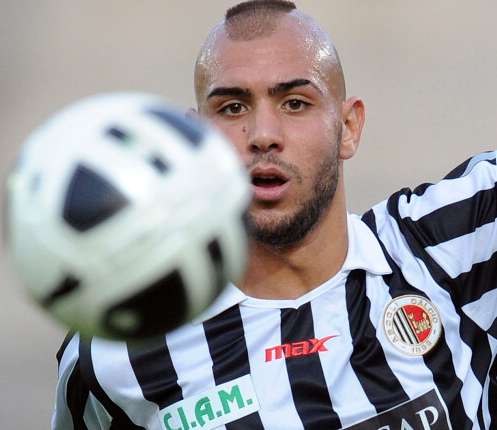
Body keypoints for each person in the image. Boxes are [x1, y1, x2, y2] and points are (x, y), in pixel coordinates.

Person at [52, 1, 497, 429]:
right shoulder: (119, 352)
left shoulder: (456, 244)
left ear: (348, 128)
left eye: (295, 103)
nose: (263, 135)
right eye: (232, 108)